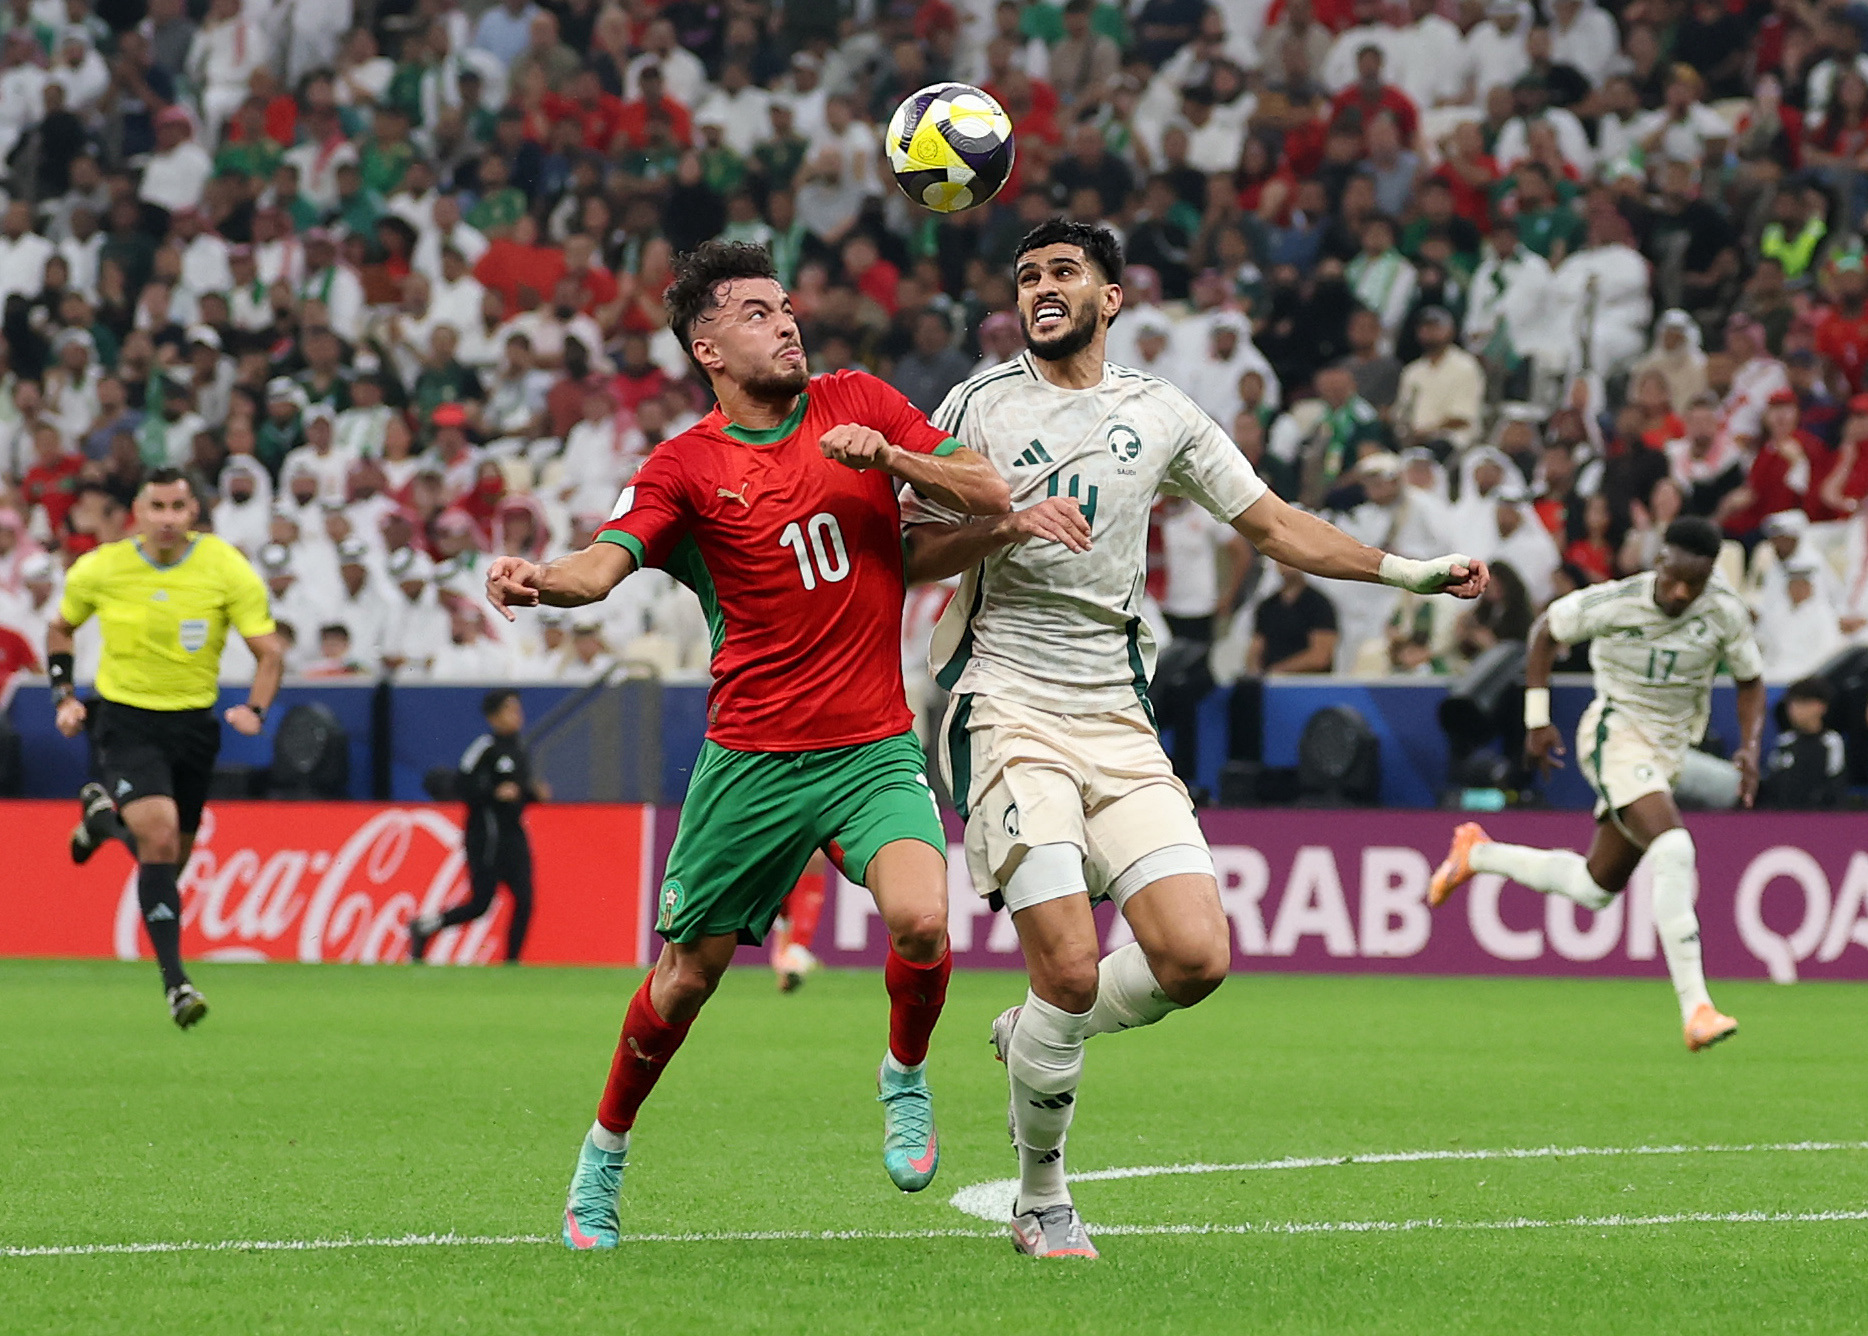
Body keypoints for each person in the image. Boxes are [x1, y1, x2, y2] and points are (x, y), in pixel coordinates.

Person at [901, 220, 1489, 1259]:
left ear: (1112, 297)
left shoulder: (1159, 412)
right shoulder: (976, 405)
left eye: (1064, 272)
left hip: (1116, 716)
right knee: (1069, 967)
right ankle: (1042, 1199)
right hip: (1006, 703)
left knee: (1194, 957)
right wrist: (1006, 524)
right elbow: (907, 550)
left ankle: (1035, 1033)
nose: (1042, 288)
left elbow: (1274, 524)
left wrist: (1406, 572)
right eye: (1028, 276)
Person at [481, 241, 1010, 1249]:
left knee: (921, 920)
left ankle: (903, 1074)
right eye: (757, 312)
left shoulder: (856, 400)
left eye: (786, 306)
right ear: (708, 348)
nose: (786, 322)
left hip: (869, 746)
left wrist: (890, 458)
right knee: (686, 977)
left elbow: (984, 491)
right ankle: (604, 1152)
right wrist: (538, 578)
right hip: (752, 762)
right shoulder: (684, 466)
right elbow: (601, 567)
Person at [1429, 516, 1763, 1053]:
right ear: (1660, 561)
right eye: (1675, 578)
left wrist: (1750, 745)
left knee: (1594, 888)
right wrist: (1537, 719)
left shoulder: (1723, 611)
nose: (1682, 593)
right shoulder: (1615, 601)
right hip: (1616, 734)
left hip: (1669, 753)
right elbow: (1544, 632)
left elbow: (1750, 680)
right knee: (1674, 848)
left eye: (1695, 583)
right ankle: (1697, 1008)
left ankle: (1478, 854)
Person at [50, 469, 284, 1028]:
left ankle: (102, 823)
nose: (167, 518)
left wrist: (255, 709)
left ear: (193, 512)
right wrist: (65, 696)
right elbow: (60, 630)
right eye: (157, 506)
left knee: (167, 862)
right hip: (125, 720)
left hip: (193, 726)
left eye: (178, 507)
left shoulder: (224, 566)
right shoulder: (102, 568)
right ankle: (176, 983)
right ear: (137, 511)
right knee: (156, 840)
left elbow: (269, 652)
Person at [408, 689, 547, 963]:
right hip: (486, 835)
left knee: (525, 898)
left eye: (517, 709)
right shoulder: (484, 748)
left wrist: (532, 793)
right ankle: (425, 926)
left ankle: (512, 962)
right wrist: (494, 792)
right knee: (481, 903)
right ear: (493, 717)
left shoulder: (519, 748)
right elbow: (461, 785)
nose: (517, 716)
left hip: (513, 833)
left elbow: (518, 789)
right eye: (509, 710)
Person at [1759, 676, 1849, 810]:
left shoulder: (1831, 742)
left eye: (1802, 703)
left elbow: (1835, 787)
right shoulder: (1784, 741)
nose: (1794, 710)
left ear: (1821, 706)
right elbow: (1771, 784)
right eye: (1791, 704)